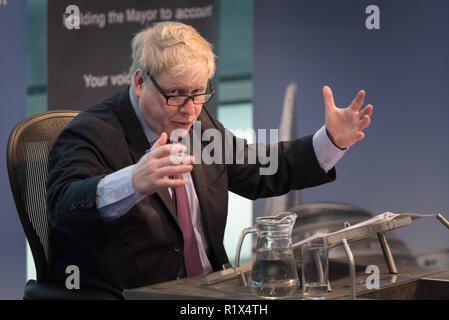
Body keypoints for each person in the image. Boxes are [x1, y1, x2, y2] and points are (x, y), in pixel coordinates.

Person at [46, 21, 373, 296]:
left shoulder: (198, 125)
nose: (189, 109)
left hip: (212, 292)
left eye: (199, 93)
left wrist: (331, 141)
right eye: (175, 95)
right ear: (140, 81)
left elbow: (261, 169)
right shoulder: (91, 132)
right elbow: (63, 206)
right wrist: (132, 181)